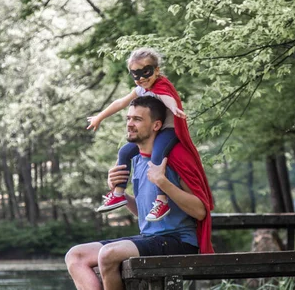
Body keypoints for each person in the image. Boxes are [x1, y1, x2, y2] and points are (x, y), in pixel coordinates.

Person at [67, 95, 213, 290]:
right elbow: (146, 215)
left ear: (156, 125)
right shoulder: (136, 158)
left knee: (109, 255)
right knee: (75, 256)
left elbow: (200, 211)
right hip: (151, 237)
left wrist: (164, 183)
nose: (130, 124)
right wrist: (121, 196)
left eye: (137, 119)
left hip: (179, 241)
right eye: (128, 118)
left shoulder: (176, 156)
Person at [87, 47, 210, 223]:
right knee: (124, 152)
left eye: (146, 72)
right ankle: (119, 193)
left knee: (157, 155)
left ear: (157, 70)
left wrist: (174, 107)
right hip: (154, 131)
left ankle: (162, 200)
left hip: (168, 130)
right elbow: (121, 102)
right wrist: (100, 116)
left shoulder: (161, 85)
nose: (141, 78)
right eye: (135, 75)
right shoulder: (141, 90)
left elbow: (167, 97)